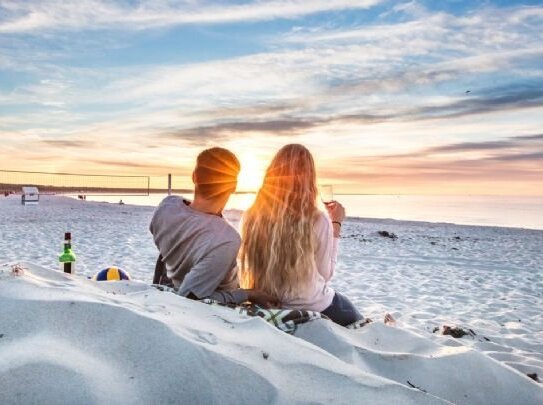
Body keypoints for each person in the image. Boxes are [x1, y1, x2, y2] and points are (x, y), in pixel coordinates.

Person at [239, 144, 365, 327]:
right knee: (356, 318)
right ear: (308, 178)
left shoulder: (251, 216)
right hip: (312, 305)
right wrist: (335, 224)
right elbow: (325, 274)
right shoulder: (317, 219)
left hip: (266, 303)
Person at [150, 147, 277, 307]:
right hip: (214, 308)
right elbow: (189, 297)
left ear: (194, 176)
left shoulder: (167, 207)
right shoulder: (226, 239)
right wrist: (248, 294)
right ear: (233, 186)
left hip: (172, 278)